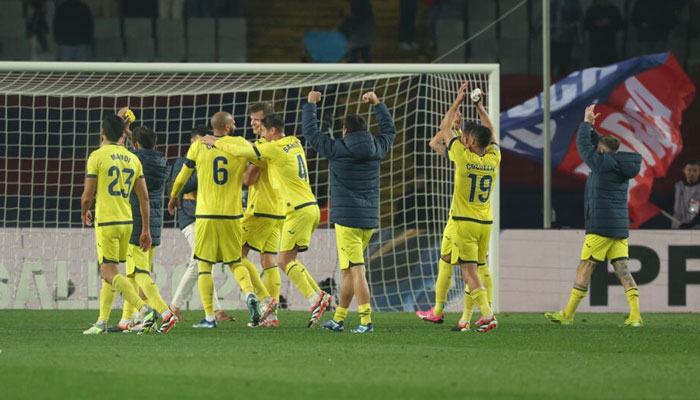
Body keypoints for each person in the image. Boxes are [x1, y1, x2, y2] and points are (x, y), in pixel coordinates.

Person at [202, 114, 332, 328]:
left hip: (276, 210)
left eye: (261, 126)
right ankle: (297, 305)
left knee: (242, 255)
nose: (257, 128)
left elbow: (245, 161)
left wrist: (216, 141)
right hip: (300, 208)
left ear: (272, 130)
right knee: (276, 261)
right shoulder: (294, 142)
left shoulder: (272, 148)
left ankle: (295, 299)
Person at [168, 112, 275, 328]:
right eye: (234, 122)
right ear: (227, 127)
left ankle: (209, 318)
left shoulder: (199, 146)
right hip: (233, 215)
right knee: (236, 261)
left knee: (205, 266)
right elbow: (262, 159)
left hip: (206, 215)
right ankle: (249, 294)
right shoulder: (239, 144)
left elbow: (182, 176)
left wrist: (173, 196)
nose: (236, 125)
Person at [302, 90, 397, 334]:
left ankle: (366, 321)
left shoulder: (337, 149)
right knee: (348, 272)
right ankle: (339, 319)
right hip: (369, 219)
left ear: (345, 131)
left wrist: (311, 105)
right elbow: (389, 130)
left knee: (357, 270)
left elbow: (311, 134)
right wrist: (378, 104)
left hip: (347, 221)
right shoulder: (377, 148)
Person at [546, 104, 643, 327]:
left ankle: (568, 314)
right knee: (622, 269)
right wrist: (593, 130)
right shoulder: (618, 163)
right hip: (618, 227)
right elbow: (598, 144)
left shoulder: (601, 164)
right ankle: (635, 315)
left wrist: (586, 123)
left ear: (601, 151)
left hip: (601, 226)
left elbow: (583, 146)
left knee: (585, 266)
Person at [416, 101, 496, 332]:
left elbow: (443, 127)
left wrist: (458, 101)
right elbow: (490, 131)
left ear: (470, 142)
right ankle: (459, 318)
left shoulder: (462, 156)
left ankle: (487, 314)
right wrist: (480, 107)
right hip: (484, 221)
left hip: (464, 223)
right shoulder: (494, 157)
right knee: (466, 264)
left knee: (470, 271)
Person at [81, 114, 157, 334]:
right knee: (111, 271)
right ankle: (102, 321)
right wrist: (145, 229)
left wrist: (85, 211)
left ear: (102, 133)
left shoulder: (97, 156)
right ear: (124, 135)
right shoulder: (133, 158)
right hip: (128, 223)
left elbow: (87, 195)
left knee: (108, 272)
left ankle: (143, 309)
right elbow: (144, 198)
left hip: (107, 221)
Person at [103, 124, 178, 333]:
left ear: (134, 144)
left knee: (139, 273)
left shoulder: (134, 160)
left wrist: (120, 127)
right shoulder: (162, 162)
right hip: (154, 225)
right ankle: (127, 320)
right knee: (133, 275)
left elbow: (118, 150)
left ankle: (165, 312)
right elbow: (140, 148)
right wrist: (130, 133)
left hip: (136, 223)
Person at [169, 125, 235, 327]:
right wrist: (202, 169)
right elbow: (182, 185)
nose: (203, 145)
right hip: (189, 217)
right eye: (200, 142)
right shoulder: (184, 161)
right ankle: (213, 310)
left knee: (198, 262)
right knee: (200, 261)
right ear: (192, 142)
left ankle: (175, 308)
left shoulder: (213, 158)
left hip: (208, 217)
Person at [238, 103, 284, 328]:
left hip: (260, 209)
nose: (253, 123)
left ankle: (266, 301)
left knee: (235, 254)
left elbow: (248, 179)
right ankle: (272, 316)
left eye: (256, 119)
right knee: (269, 261)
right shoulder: (282, 144)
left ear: (268, 122)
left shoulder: (263, 146)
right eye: (251, 119)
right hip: (278, 210)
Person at [583, 0, 623, 67]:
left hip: (610, 45)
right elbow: (586, 25)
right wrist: (596, 24)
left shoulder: (613, 10)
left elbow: (620, 25)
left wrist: (609, 23)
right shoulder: (591, 10)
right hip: (596, 45)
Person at [672, 159, 700, 229]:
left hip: (696, 229)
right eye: (689, 170)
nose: (692, 173)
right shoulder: (678, 187)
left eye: (695, 170)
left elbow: (694, 210)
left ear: (699, 172)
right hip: (678, 227)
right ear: (684, 170)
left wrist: (690, 224)